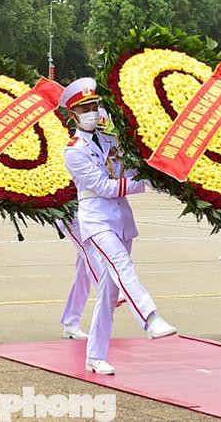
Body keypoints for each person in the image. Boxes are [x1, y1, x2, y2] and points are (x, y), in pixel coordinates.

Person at [61, 78, 176, 376]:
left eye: (94, 106)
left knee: (109, 293)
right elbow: (102, 185)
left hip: (121, 220)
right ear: (73, 115)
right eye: (84, 108)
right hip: (96, 220)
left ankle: (95, 356)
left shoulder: (111, 141)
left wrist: (156, 172)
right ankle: (150, 318)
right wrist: (142, 184)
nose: (91, 112)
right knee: (123, 266)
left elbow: (131, 168)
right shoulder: (73, 150)